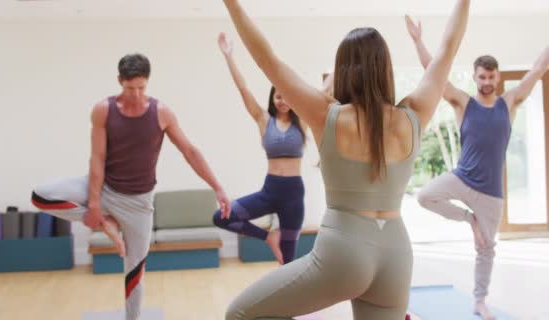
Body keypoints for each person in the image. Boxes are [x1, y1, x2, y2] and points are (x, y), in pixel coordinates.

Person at [220, 0, 470, 318]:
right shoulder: (413, 115)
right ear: (385, 68)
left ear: (343, 69)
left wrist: (232, 4)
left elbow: (267, 59)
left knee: (240, 313)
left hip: (344, 249)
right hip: (396, 252)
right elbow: (447, 50)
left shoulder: (327, 114)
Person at [30, 53, 230, 320]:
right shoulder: (103, 110)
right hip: (104, 188)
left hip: (139, 203)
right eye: (129, 88)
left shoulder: (162, 113)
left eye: (141, 88)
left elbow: (190, 151)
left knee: (135, 271)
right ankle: (107, 224)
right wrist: (94, 206)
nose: (136, 95)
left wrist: (217, 187)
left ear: (147, 83)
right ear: (119, 81)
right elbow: (97, 157)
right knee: (40, 195)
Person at [408, 16, 549, 320]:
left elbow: (538, 68)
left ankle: (479, 302)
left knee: (486, 249)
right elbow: (435, 76)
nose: (486, 82)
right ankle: (467, 219)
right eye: (481, 77)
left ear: (498, 78)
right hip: (461, 178)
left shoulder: (509, 102)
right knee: (424, 196)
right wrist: (419, 41)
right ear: (475, 77)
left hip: (491, 193)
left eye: (491, 77)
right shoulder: (462, 102)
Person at [212, 32, 308, 265]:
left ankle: (287, 300)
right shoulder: (264, 119)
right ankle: (268, 238)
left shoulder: (304, 118)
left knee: (287, 260)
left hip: (294, 194)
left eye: (286, 96)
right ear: (272, 98)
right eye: (278, 96)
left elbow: (325, 91)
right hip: (270, 190)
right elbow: (243, 89)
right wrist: (228, 57)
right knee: (222, 217)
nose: (282, 100)